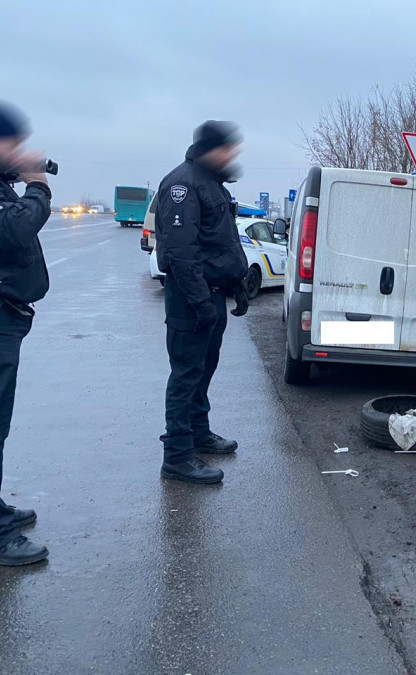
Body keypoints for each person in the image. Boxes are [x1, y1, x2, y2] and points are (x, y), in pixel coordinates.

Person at [0, 101, 52, 565]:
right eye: (11, 142)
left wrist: (16, 180)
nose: (19, 150)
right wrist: (37, 186)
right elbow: (11, 229)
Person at [156, 121, 250, 485]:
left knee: (203, 371)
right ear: (211, 149)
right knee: (185, 375)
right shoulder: (182, 184)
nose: (232, 156)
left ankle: (198, 432)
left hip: (210, 296)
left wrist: (237, 284)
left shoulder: (212, 183)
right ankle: (178, 456)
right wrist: (200, 303)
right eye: (227, 149)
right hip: (190, 300)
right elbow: (181, 253)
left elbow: (222, 243)